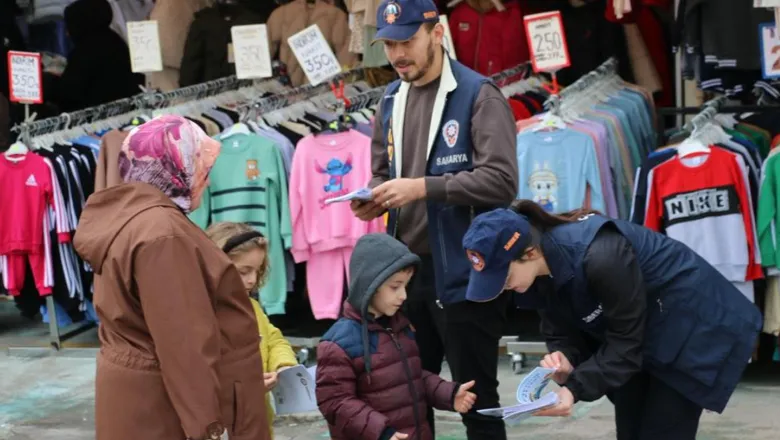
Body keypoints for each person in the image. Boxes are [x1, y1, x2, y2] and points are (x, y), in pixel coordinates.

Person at [350, 1, 519, 438]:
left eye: (407, 40)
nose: (397, 53)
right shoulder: (389, 99)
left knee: (476, 398)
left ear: (438, 33)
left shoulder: (479, 94)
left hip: (467, 270)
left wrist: (424, 186)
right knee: (405, 394)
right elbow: (384, 172)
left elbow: (501, 182)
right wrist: (375, 196)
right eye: (389, 44)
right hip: (407, 275)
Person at [461, 200, 764, 440]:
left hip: (690, 327)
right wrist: (564, 358)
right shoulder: (538, 271)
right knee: (630, 429)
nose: (502, 288)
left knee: (662, 431)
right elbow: (561, 329)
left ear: (528, 253)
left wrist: (574, 389)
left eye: (504, 277)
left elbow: (626, 342)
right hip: (641, 336)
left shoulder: (601, 255)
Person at [73, 115, 271, 440]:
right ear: (176, 167)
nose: (207, 180)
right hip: (162, 410)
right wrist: (209, 428)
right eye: (202, 168)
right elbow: (184, 344)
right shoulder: (163, 235)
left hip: (141, 400)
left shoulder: (134, 219)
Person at [315, 233, 478, 440]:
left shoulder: (401, 326)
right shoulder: (337, 343)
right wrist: (382, 432)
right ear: (369, 285)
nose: (403, 295)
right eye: (395, 287)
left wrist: (448, 393)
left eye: (405, 285)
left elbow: (413, 377)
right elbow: (335, 402)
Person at [205, 221, 298, 436]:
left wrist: (283, 365)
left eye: (257, 271)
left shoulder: (252, 307)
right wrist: (247, 384)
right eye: (243, 271)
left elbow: (274, 339)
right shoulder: (202, 316)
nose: (252, 280)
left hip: (258, 422)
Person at [54, 0, 143, 112]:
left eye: (69, 26)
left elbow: (69, 94)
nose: (67, 33)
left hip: (96, 118)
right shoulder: (115, 41)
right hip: (124, 111)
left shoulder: (85, 52)